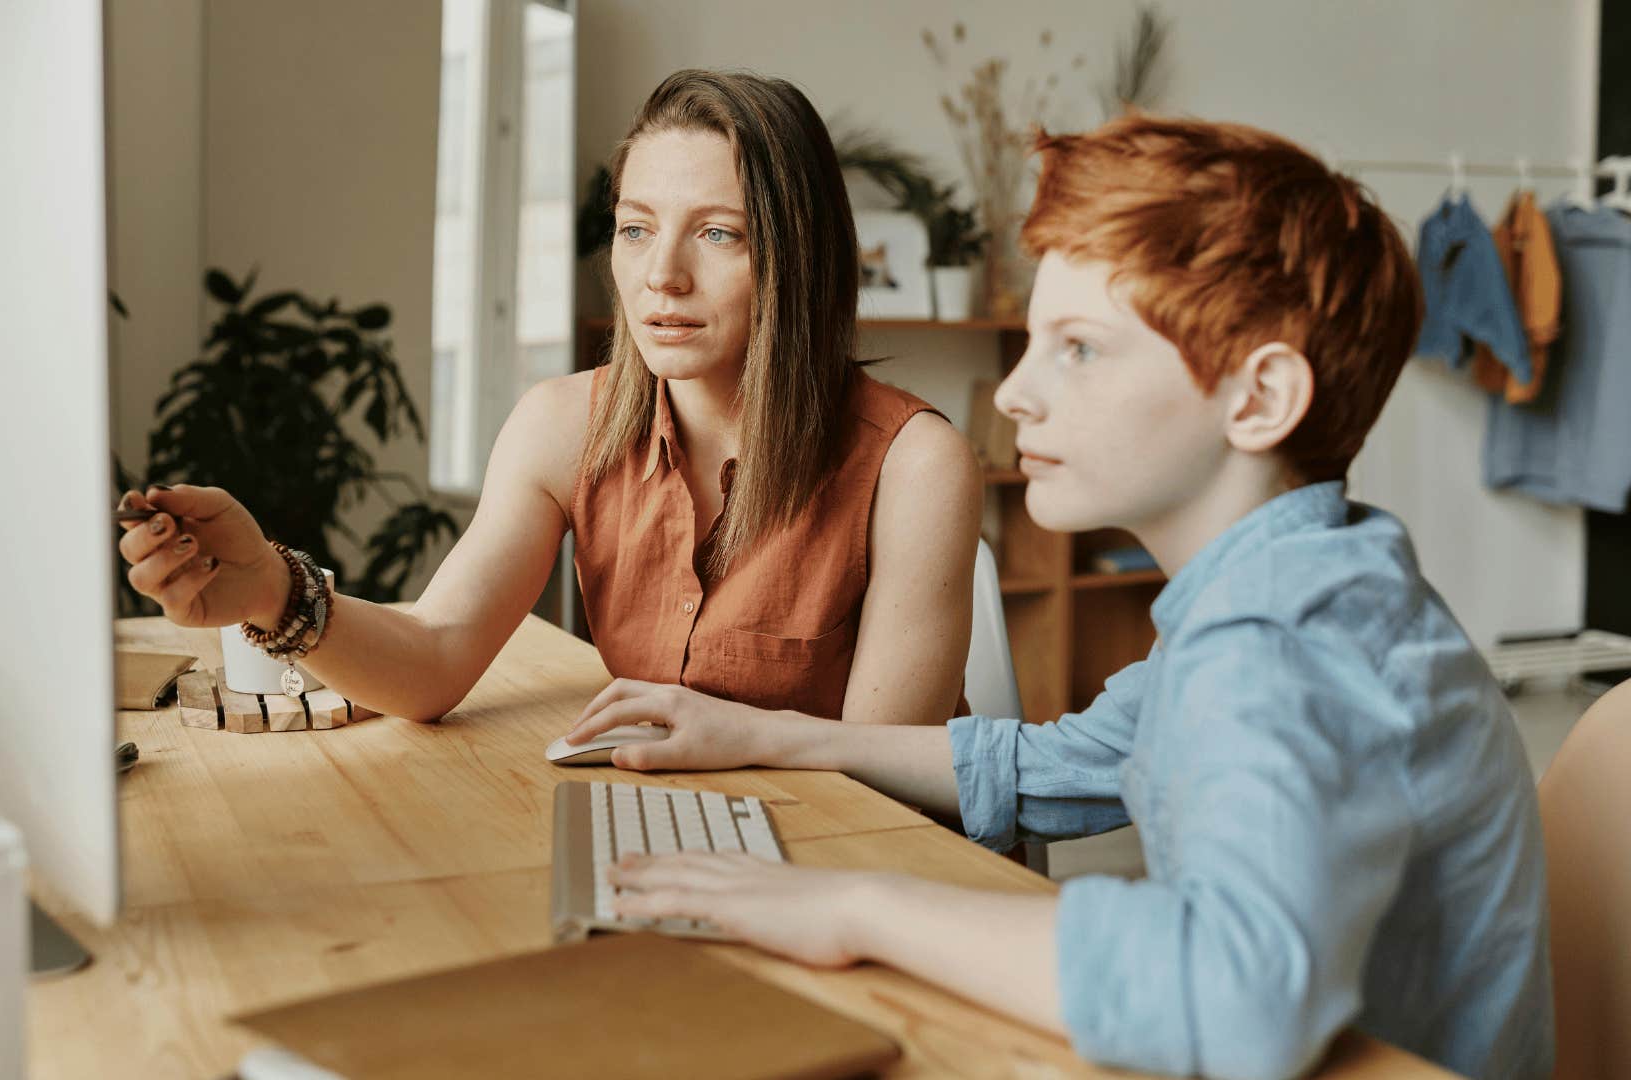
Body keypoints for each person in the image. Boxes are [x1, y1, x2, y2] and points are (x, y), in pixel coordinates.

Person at [568, 115, 1554, 1080]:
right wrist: (765, 733)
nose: (1013, 394)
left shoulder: (1280, 642)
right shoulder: (1310, 583)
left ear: (1258, 401)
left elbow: (1235, 998)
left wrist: (856, 908)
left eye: (1076, 348)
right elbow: (1062, 761)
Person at [116, 68, 982, 730]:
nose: (661, 275)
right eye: (636, 228)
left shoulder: (915, 465)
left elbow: (882, 779)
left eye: (718, 234)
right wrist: (273, 589)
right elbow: (435, 658)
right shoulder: (564, 424)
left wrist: (723, 741)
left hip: (859, 869)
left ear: (801, 258)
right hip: (681, 836)